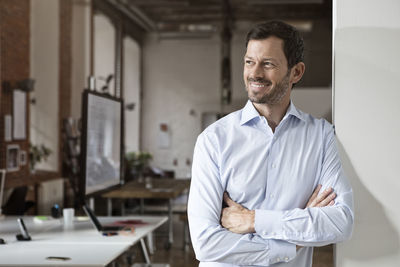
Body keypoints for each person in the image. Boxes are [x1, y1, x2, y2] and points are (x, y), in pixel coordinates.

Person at [187, 20, 354, 267]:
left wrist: (254, 220)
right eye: (249, 62)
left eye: (268, 64)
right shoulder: (214, 140)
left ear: (296, 72)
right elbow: (205, 243)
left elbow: (341, 222)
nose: (254, 73)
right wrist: (292, 244)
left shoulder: (320, 136)